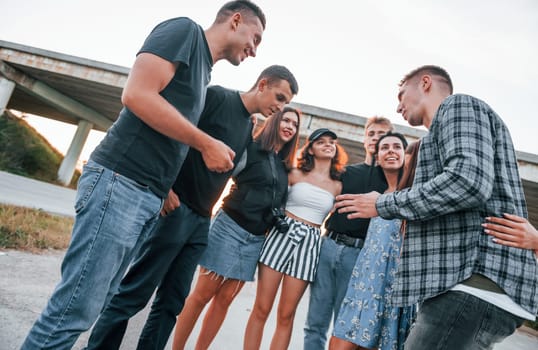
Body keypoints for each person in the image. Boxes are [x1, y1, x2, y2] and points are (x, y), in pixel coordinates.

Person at [21, 2, 266, 349]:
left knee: (92, 306)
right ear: (236, 20)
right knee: (73, 311)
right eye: (254, 38)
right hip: (119, 184)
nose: (254, 51)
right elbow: (136, 94)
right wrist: (204, 142)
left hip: (143, 196)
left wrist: (164, 187)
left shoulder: (204, 72)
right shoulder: (184, 32)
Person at [85, 65, 297, 350]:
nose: (281, 107)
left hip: (201, 221)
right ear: (263, 84)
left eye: (286, 102)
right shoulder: (217, 98)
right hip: (176, 209)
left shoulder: (248, 126)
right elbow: (171, 130)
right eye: (280, 97)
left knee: (172, 301)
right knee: (136, 292)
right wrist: (166, 186)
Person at [335, 65, 538, 349]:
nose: (398, 107)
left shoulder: (458, 105)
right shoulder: (436, 137)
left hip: (474, 284)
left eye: (401, 94)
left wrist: (383, 203)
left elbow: (468, 181)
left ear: (425, 83)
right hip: (466, 287)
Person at [171, 106, 301, 350]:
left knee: (225, 300)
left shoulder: (284, 166)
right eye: (286, 120)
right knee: (202, 295)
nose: (290, 127)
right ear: (274, 122)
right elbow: (219, 168)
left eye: (294, 125)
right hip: (230, 226)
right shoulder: (250, 147)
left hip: (256, 239)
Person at [244, 128, 348, 350]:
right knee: (262, 307)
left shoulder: (338, 184)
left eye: (332, 142)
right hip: (281, 235)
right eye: (321, 142)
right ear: (310, 148)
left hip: (310, 242)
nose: (328, 144)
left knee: (286, 315)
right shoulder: (294, 173)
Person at [303, 116, 393, 349]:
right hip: (328, 247)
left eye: (382, 134)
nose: (376, 138)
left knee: (345, 326)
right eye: (372, 133)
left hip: (360, 256)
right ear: (365, 139)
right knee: (315, 322)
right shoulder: (345, 173)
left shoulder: (393, 181)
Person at [330, 135, 417, 350]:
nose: (391, 151)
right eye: (385, 147)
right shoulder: (375, 195)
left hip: (394, 288)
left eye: (397, 147)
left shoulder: (413, 194)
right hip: (363, 283)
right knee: (339, 341)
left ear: (406, 157)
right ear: (376, 157)